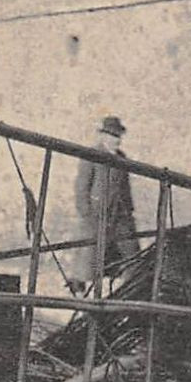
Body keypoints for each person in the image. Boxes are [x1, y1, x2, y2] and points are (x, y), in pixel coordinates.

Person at [73, 115, 139, 293]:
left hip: (119, 215)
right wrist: (87, 214)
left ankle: (127, 292)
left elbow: (125, 188)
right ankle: (79, 295)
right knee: (88, 258)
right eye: (112, 136)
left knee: (131, 255)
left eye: (118, 136)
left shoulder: (122, 158)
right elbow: (81, 187)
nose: (116, 140)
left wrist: (129, 211)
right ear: (103, 136)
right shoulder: (92, 155)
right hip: (97, 215)